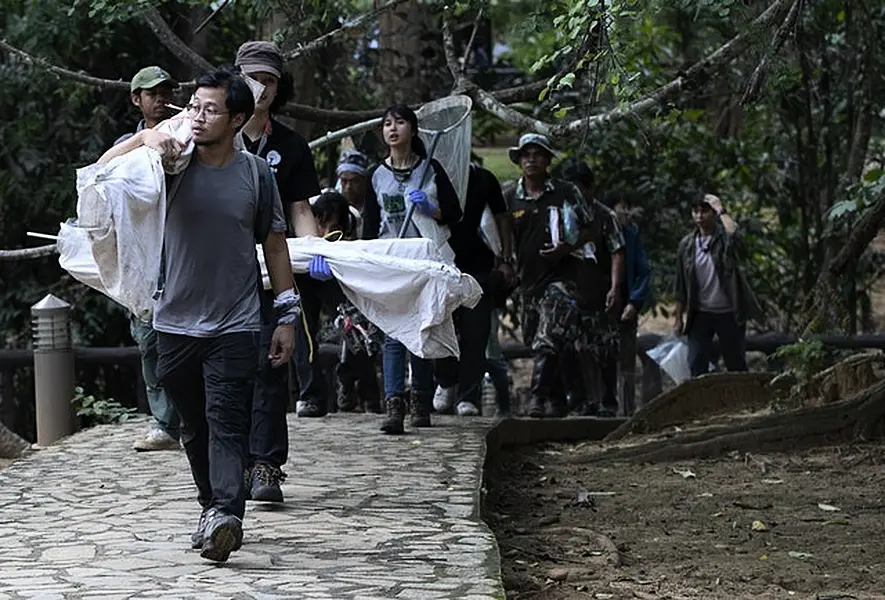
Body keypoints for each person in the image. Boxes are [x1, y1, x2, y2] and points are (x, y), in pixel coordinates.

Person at [97, 67, 299, 563]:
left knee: (227, 419)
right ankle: (213, 506)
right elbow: (100, 174)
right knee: (193, 425)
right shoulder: (167, 164)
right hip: (173, 320)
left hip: (237, 320)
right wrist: (147, 137)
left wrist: (288, 315)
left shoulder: (256, 173)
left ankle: (228, 512)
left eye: (210, 109)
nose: (197, 116)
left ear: (236, 120)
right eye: (193, 107)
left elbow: (274, 243)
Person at [234, 41, 321, 503]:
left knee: (271, 365)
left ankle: (267, 466)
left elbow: (300, 208)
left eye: (268, 80)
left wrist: (312, 253)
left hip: (274, 271)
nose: (260, 89)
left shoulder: (290, 146)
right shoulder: (211, 139)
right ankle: (236, 465)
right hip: (220, 275)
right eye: (251, 78)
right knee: (228, 369)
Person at [360, 104, 463, 434]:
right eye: (387, 123)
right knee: (393, 333)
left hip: (423, 259)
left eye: (400, 122)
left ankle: (420, 401)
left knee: (420, 331)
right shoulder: (376, 175)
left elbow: (454, 213)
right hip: (392, 258)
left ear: (413, 130)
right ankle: (394, 405)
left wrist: (430, 209)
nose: (392, 129)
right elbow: (370, 225)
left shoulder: (429, 169)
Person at [506, 135, 624, 419]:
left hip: (563, 280)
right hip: (528, 282)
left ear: (547, 160)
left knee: (550, 335)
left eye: (537, 154)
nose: (531, 159)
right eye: (526, 155)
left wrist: (566, 248)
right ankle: (557, 403)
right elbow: (500, 235)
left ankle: (538, 398)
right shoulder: (509, 196)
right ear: (519, 160)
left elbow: (591, 227)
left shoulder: (566, 192)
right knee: (537, 339)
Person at [114, 66, 182, 452]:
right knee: (149, 339)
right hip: (144, 257)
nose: (160, 98)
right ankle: (164, 423)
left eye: (165, 91)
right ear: (136, 98)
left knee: (193, 337)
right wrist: (144, 139)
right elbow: (103, 170)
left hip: (187, 249)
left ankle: (195, 420)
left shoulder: (192, 132)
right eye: (151, 92)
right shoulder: (129, 142)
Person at [433, 155, 515, 417]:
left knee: (476, 332)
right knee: (437, 324)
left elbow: (502, 217)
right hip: (439, 262)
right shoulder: (430, 175)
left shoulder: (483, 178)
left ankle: (468, 396)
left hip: (479, 265)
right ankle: (446, 380)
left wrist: (505, 259)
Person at [560, 161, 626, 418]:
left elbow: (617, 251)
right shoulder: (562, 212)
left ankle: (608, 400)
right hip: (569, 291)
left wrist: (614, 287)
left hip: (597, 290)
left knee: (605, 348)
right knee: (568, 349)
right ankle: (578, 399)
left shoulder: (604, 216)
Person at [310, 191, 383, 414]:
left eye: (331, 230)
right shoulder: (308, 233)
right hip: (319, 298)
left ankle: (364, 393)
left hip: (350, 299)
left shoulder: (353, 235)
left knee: (355, 332)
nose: (325, 234)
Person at [674, 192, 761, 377]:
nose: (699, 216)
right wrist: (678, 318)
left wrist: (721, 209)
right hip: (700, 313)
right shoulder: (687, 245)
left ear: (712, 213)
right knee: (696, 360)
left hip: (728, 312)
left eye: (704, 211)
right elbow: (680, 284)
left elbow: (735, 236)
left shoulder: (723, 239)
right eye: (695, 211)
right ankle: (702, 403)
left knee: (735, 362)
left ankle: (740, 402)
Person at [603, 190, 651, 416]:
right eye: (620, 207)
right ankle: (606, 409)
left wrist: (635, 302)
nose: (625, 212)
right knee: (603, 359)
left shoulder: (632, 234)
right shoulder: (597, 234)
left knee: (627, 363)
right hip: (601, 307)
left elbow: (643, 271)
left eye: (626, 207)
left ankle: (628, 412)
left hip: (626, 306)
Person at [336, 150, 372, 239]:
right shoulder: (335, 207)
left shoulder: (373, 206)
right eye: (344, 181)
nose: (348, 187)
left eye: (355, 181)